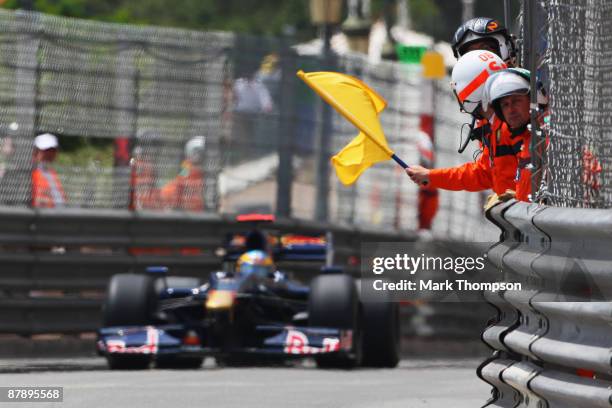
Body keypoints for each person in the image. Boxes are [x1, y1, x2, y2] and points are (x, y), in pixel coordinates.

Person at [406, 50, 527, 201]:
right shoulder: (498, 125)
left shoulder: (506, 126)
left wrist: (518, 204)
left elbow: (486, 175)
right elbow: (483, 174)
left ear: (471, 91)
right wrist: (430, 176)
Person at [160, 136, 206, 212]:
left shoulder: (207, 171)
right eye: (198, 152)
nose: (199, 156)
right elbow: (181, 180)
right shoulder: (187, 166)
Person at [451, 17, 517, 67]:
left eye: (486, 49)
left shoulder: (518, 81)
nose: (480, 58)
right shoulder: (458, 84)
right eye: (471, 53)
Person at [31, 133, 66, 208]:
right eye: (46, 150)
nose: (50, 154)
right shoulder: (30, 173)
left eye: (52, 150)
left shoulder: (51, 173)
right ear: (35, 151)